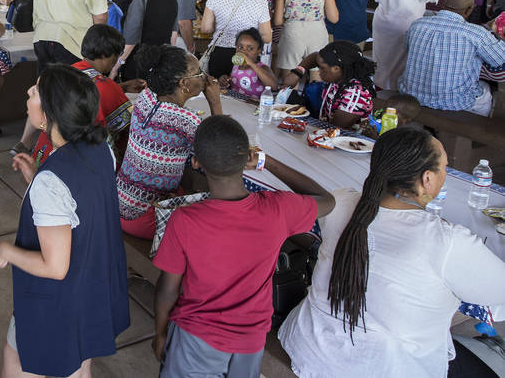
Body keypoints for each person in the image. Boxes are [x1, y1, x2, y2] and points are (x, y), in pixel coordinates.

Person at [279, 128, 505, 378]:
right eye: (444, 168)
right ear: (427, 179)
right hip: (385, 366)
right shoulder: (447, 241)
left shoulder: (342, 201)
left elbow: (317, 194)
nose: (445, 175)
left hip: (311, 347)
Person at [153, 115, 334, 377]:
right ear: (247, 159)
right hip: (251, 340)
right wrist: (267, 162)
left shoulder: (185, 220)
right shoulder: (278, 209)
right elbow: (326, 200)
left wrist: (160, 332)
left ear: (195, 163)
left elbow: (167, 289)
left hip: (197, 339)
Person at [0, 64, 130, 378]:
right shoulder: (100, 149)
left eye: (35, 91)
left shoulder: (52, 180)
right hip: (90, 291)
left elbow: (55, 267)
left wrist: (5, 251)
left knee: (17, 359)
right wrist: (36, 178)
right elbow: (78, 204)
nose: (27, 93)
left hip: (57, 305)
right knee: (79, 367)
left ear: (48, 113)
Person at [117, 44, 222, 238]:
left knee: (190, 183)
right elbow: (220, 150)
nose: (204, 76)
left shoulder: (145, 97)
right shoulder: (186, 120)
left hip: (119, 205)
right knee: (216, 213)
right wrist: (215, 101)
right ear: (184, 84)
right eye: (198, 72)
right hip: (147, 218)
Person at [15, 24, 141, 163]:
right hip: (81, 161)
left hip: (44, 155)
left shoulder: (63, 74)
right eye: (117, 56)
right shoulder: (107, 87)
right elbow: (128, 131)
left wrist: (121, 87)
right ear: (108, 55)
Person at [400, 0, 505, 117]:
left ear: (444, 5)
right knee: (486, 93)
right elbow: (500, 59)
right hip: (454, 102)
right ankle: (474, 131)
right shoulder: (476, 33)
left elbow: (407, 48)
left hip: (411, 94)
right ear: (469, 10)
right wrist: (492, 32)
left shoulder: (417, 24)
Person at [200, 0, 272, 78]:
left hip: (220, 54)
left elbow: (206, 28)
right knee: (244, 94)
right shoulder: (260, 2)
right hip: (247, 56)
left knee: (217, 92)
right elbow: (266, 37)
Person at [111, 0, 177, 80]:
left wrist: (116, 66)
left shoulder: (140, 1)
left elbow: (131, 40)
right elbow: (173, 35)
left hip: (138, 66)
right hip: (161, 65)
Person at [287, 41, 376, 128]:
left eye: (322, 68)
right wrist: (298, 72)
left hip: (342, 138)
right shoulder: (339, 76)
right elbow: (315, 57)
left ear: (336, 68)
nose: (318, 71)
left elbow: (334, 129)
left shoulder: (355, 95)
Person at [217, 28, 279, 99]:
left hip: (253, 106)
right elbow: (234, 83)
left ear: (259, 51)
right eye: (240, 47)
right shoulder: (235, 66)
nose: (244, 52)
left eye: (250, 48)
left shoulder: (262, 68)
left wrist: (252, 64)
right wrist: (224, 80)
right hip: (235, 102)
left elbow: (274, 86)